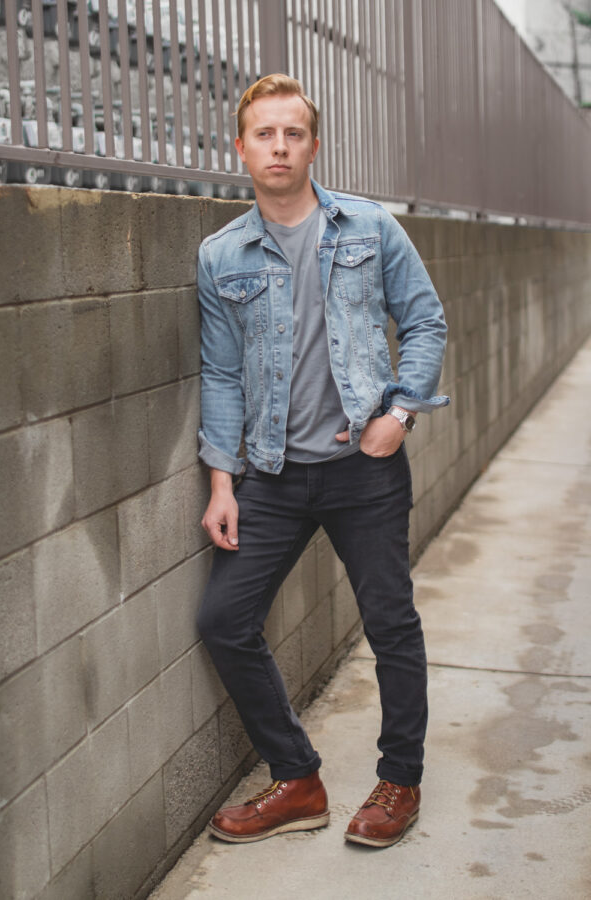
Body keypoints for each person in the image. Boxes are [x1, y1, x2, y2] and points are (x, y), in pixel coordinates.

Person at [196, 73, 448, 848]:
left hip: (361, 468)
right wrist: (220, 482)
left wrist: (398, 416)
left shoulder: (369, 228)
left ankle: (398, 781)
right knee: (223, 619)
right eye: (264, 134)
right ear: (241, 147)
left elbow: (427, 321)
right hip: (269, 475)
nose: (279, 147)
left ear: (313, 144)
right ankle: (297, 779)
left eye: (292, 133)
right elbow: (220, 372)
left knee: (390, 624)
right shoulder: (221, 254)